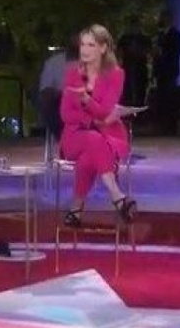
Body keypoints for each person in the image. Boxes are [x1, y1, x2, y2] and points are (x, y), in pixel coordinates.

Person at [59, 24, 137, 227]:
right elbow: (65, 114)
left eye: (91, 45)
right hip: (74, 136)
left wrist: (86, 100)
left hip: (107, 134)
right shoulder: (72, 74)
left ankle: (75, 210)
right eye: (82, 44)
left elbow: (105, 110)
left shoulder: (116, 75)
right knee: (93, 141)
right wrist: (91, 120)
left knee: (89, 157)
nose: (84, 50)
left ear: (103, 48)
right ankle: (117, 196)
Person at [152, 9, 180, 135]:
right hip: (161, 71)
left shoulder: (176, 34)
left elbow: (176, 52)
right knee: (162, 97)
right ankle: (162, 124)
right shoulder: (160, 34)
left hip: (170, 70)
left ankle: (171, 125)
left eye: (164, 17)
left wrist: (162, 52)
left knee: (170, 97)